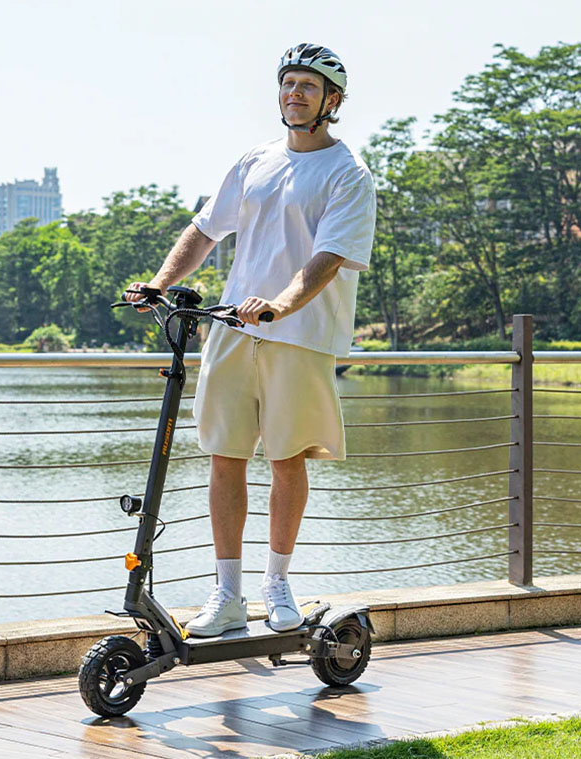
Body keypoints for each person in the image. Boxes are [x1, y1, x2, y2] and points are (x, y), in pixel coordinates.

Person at [125, 43, 376, 636]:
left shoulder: (348, 174)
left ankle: (278, 587)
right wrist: (160, 283)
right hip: (233, 328)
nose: (294, 93)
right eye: (288, 83)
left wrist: (281, 305)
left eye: (308, 86)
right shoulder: (254, 161)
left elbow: (330, 257)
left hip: (300, 335)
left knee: (286, 458)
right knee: (225, 455)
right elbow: (204, 229)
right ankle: (228, 594)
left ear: (331, 101)